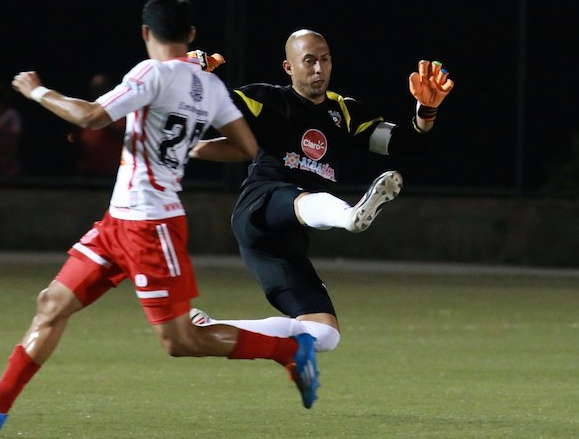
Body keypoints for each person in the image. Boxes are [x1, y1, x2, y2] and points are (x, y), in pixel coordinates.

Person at [0, 0, 319, 434]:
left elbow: (90, 117)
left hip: (151, 227)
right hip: (117, 222)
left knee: (181, 340)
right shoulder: (210, 86)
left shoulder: (150, 73)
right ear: (191, 33)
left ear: (145, 32)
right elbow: (247, 147)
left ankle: (289, 351)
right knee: (51, 303)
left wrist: (37, 91)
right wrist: (188, 147)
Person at [188, 29, 454, 355]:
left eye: (325, 60)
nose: (319, 69)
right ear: (289, 67)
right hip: (262, 206)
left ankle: (207, 328)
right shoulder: (266, 99)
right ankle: (349, 216)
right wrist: (193, 76)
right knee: (303, 198)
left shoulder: (343, 111)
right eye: (309, 61)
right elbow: (211, 104)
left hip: (286, 240)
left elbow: (406, 144)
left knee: (323, 333)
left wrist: (425, 111)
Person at [68, 73, 126, 178]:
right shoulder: (85, 110)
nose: (99, 92)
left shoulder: (120, 110)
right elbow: (75, 140)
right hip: (88, 171)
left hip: (113, 171)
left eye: (102, 88)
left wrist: (101, 117)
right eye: (96, 89)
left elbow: (124, 136)